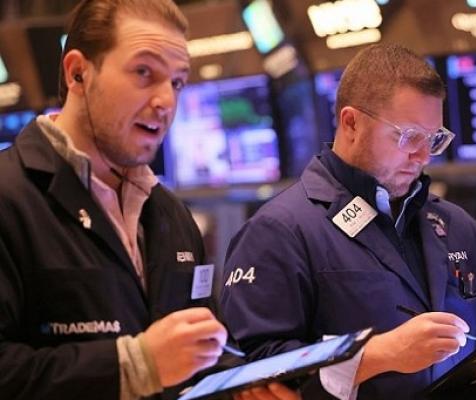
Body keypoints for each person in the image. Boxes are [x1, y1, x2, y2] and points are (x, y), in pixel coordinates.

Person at [221, 44, 476, 399]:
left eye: (434, 139)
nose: (423, 156)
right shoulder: (279, 231)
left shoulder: (459, 226)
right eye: (409, 136)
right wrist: (375, 356)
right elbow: (251, 373)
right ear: (351, 123)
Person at [0, 1, 297, 400]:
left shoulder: (171, 214)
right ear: (77, 73)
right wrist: (136, 366)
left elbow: (204, 351)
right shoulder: (10, 195)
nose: (166, 101)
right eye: (144, 72)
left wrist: (240, 387)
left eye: (177, 82)